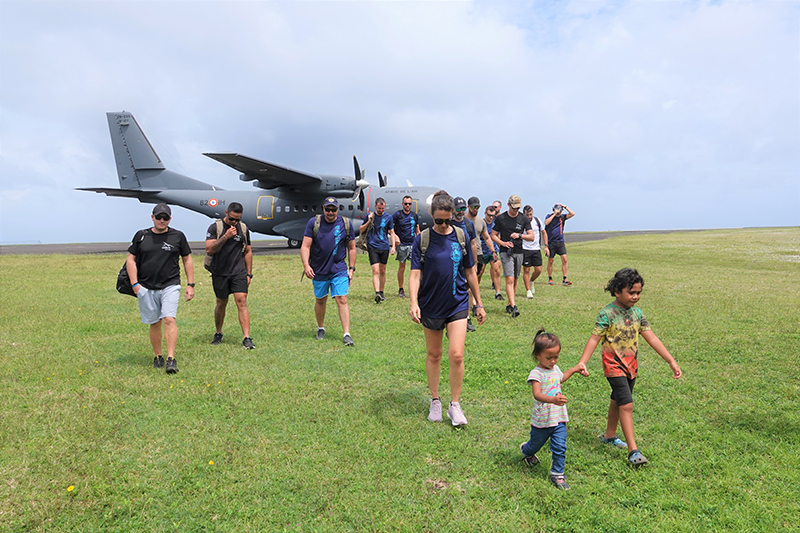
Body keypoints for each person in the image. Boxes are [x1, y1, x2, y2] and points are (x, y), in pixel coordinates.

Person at [576, 268, 682, 467]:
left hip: (631, 366)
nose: (635, 297)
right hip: (613, 365)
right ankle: (634, 451)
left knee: (617, 400)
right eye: (631, 292)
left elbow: (652, 337)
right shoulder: (607, 313)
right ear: (617, 291)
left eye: (638, 293)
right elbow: (594, 338)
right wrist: (583, 361)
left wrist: (670, 360)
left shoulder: (637, 313)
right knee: (627, 404)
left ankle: (609, 436)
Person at [409, 191, 486, 426]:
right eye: (438, 221)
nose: (443, 225)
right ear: (431, 216)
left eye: (447, 220)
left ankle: (455, 405)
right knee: (434, 354)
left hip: (458, 303)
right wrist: (413, 302)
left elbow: (471, 272)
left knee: (457, 354)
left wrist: (479, 303)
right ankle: (435, 400)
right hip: (431, 304)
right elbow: (414, 274)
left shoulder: (461, 237)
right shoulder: (422, 239)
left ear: (453, 215)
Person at [126, 203, 194, 374]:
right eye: (158, 217)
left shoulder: (178, 236)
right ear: (152, 217)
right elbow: (131, 259)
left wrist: (190, 284)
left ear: (170, 219)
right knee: (154, 323)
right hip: (146, 287)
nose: (162, 220)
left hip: (170, 285)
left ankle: (171, 359)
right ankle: (158, 356)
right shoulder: (141, 236)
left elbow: (187, 259)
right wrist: (135, 284)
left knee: (169, 319)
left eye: (165, 218)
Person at [520, 329, 584, 490]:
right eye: (549, 358)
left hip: (559, 418)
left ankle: (557, 474)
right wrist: (553, 400)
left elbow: (561, 378)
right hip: (542, 420)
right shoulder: (536, 373)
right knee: (534, 445)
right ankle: (526, 450)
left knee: (560, 446)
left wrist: (575, 369)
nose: (554, 361)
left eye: (556, 357)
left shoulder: (555, 369)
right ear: (538, 356)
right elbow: (537, 394)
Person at [300, 197, 357, 346]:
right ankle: (320, 328)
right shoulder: (314, 223)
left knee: (342, 299)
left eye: (333, 209)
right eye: (328, 209)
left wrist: (351, 269)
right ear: (323, 208)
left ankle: (346, 334)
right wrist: (306, 266)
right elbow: (305, 246)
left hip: (339, 269)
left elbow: (351, 248)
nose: (330, 212)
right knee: (320, 300)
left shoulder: (345, 224)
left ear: (338, 209)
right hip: (319, 269)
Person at [205, 202, 255, 349]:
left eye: (237, 219)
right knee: (221, 303)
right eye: (232, 218)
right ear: (226, 212)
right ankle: (218, 332)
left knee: (241, 301)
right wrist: (225, 237)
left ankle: (246, 337)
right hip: (220, 272)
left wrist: (249, 273)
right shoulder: (215, 227)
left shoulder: (243, 229)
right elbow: (209, 249)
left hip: (238, 271)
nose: (234, 222)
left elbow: (248, 251)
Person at [491, 194, 533, 318]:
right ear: (508, 205)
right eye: (514, 208)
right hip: (505, 252)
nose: (516, 210)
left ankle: (510, 303)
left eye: (518, 208)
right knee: (509, 279)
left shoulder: (523, 219)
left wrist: (519, 236)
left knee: (515, 279)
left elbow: (531, 237)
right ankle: (514, 306)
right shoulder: (501, 218)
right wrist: (502, 243)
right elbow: (493, 235)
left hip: (519, 251)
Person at [451, 197, 479, 332]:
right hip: (451, 262)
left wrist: (475, 263)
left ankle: (466, 318)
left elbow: (473, 243)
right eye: (458, 209)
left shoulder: (468, 224)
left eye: (463, 209)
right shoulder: (448, 223)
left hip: (466, 262)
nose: (461, 212)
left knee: (468, 290)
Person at [360, 197, 395, 303]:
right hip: (373, 246)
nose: (381, 210)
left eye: (383, 209)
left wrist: (393, 246)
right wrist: (369, 221)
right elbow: (361, 229)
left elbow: (392, 232)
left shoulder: (388, 217)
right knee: (376, 271)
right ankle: (377, 293)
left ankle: (382, 291)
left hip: (384, 246)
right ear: (375, 206)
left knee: (383, 270)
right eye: (379, 208)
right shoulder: (370, 216)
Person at [465, 196, 495, 318]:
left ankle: (473, 305)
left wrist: (493, 251)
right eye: (473, 207)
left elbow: (487, 237)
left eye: (477, 207)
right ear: (468, 207)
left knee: (474, 282)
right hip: (465, 254)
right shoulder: (462, 220)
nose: (475, 209)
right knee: (467, 283)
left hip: (478, 254)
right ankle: (469, 307)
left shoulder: (480, 222)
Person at [392, 195, 420, 298]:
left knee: (416, 268)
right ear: (402, 204)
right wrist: (395, 237)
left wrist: (420, 240)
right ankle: (401, 289)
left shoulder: (414, 215)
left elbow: (417, 229)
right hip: (402, 245)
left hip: (413, 245)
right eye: (406, 204)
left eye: (409, 204)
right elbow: (391, 229)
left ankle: (416, 288)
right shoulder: (397, 215)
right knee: (402, 267)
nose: (407, 205)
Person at [521, 205, 548, 299]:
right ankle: (528, 291)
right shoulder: (521, 222)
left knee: (539, 269)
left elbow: (544, 233)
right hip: (525, 249)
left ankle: (531, 281)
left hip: (536, 249)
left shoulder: (537, 221)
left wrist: (546, 246)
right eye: (527, 215)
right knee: (526, 270)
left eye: (530, 214)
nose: (529, 216)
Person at [544, 203, 575, 286]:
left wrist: (565, 206)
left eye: (560, 211)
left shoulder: (562, 218)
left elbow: (572, 214)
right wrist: (554, 214)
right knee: (551, 260)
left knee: (564, 259)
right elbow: (546, 223)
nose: (559, 212)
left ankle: (565, 278)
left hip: (560, 241)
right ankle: (550, 278)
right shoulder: (549, 216)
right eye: (557, 210)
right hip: (551, 242)